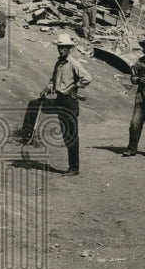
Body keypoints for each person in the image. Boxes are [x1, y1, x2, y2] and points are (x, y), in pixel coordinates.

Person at [21, 33, 92, 175]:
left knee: (70, 136)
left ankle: (74, 168)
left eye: (63, 48)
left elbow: (87, 78)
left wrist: (74, 87)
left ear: (69, 49)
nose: (61, 50)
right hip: (58, 99)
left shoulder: (73, 63)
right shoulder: (58, 63)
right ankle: (27, 134)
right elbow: (53, 80)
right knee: (34, 103)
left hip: (69, 102)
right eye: (59, 47)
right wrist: (47, 88)